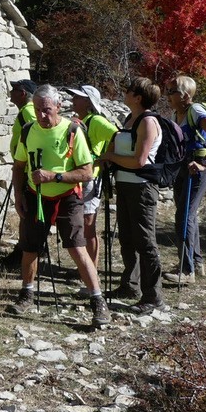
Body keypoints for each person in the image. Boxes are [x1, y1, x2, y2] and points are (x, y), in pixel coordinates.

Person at [10, 84, 110, 326]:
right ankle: (27, 294)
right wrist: (18, 196)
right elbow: (19, 166)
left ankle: (98, 302)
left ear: (58, 107)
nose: (42, 116)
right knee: (30, 247)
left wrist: (54, 176)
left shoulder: (73, 130)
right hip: (36, 196)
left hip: (67, 196)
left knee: (76, 247)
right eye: (37, 110)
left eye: (46, 110)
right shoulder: (28, 130)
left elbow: (86, 172)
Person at [98, 77, 165, 314]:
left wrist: (110, 158)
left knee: (145, 242)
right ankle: (130, 285)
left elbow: (139, 160)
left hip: (142, 187)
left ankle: (153, 296)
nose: (124, 93)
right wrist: (110, 155)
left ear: (138, 97)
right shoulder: (130, 119)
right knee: (127, 237)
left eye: (128, 91)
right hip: (125, 185)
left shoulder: (147, 122)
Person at [165, 75, 206, 284]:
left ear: (185, 95)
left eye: (172, 91)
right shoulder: (176, 114)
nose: (168, 95)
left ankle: (186, 270)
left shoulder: (196, 111)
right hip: (182, 168)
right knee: (187, 215)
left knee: (184, 216)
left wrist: (205, 163)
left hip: (196, 170)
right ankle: (195, 263)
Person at [65, 85, 118, 279]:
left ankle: (91, 270)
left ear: (88, 101)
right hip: (82, 178)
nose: (73, 100)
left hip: (91, 179)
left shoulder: (96, 121)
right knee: (82, 223)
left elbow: (116, 135)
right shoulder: (84, 120)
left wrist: (104, 156)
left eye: (77, 97)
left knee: (88, 224)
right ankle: (86, 268)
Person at [1, 79, 38, 266]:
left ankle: (26, 251)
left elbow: (37, 136)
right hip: (24, 167)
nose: (10, 92)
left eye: (14, 89)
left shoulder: (29, 111)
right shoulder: (26, 111)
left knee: (27, 210)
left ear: (23, 93)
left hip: (27, 169)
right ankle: (25, 249)